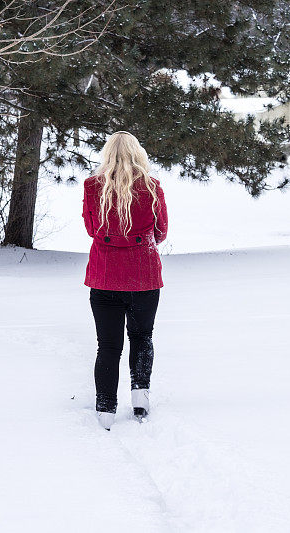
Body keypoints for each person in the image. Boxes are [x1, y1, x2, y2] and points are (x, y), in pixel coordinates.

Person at [82, 131, 168, 431]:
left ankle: (105, 408)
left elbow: (92, 229)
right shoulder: (152, 186)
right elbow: (161, 233)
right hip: (143, 276)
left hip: (105, 276)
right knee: (142, 337)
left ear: (107, 153)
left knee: (107, 346)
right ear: (137, 152)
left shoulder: (93, 185)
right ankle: (140, 397)